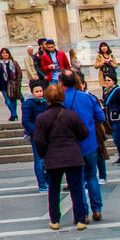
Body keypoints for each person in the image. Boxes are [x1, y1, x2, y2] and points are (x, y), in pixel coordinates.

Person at [32, 83, 89, 231]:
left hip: (53, 157)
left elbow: (38, 140)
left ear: (47, 98)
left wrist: (44, 153)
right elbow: (84, 133)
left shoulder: (42, 118)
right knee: (76, 189)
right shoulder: (71, 115)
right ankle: (80, 219)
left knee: (54, 190)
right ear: (62, 97)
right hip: (73, 156)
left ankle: (55, 220)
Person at [59, 70, 105, 222]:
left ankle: (82, 213)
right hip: (90, 143)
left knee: (76, 180)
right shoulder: (88, 97)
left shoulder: (60, 100)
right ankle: (97, 209)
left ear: (61, 83)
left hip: (71, 146)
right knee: (92, 176)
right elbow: (101, 117)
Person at [21, 80, 48, 190]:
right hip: (36, 135)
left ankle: (47, 181)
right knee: (39, 159)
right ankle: (42, 184)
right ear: (32, 92)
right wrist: (36, 132)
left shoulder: (45, 102)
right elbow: (26, 121)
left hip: (47, 134)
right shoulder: (28, 103)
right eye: (37, 91)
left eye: (41, 91)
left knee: (47, 159)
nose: (39, 93)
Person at [104, 78, 120, 165]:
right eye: (106, 80)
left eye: (109, 80)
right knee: (116, 139)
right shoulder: (106, 91)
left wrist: (116, 111)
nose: (107, 82)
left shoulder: (118, 90)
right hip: (110, 118)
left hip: (117, 119)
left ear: (113, 81)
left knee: (117, 139)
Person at [0, 47, 23, 121]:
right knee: (7, 100)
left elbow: (19, 73)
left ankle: (13, 114)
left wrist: (18, 82)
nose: (5, 54)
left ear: (9, 54)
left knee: (13, 99)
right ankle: (14, 114)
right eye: (3, 53)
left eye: (6, 53)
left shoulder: (14, 63)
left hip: (12, 84)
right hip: (3, 84)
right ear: (1, 54)